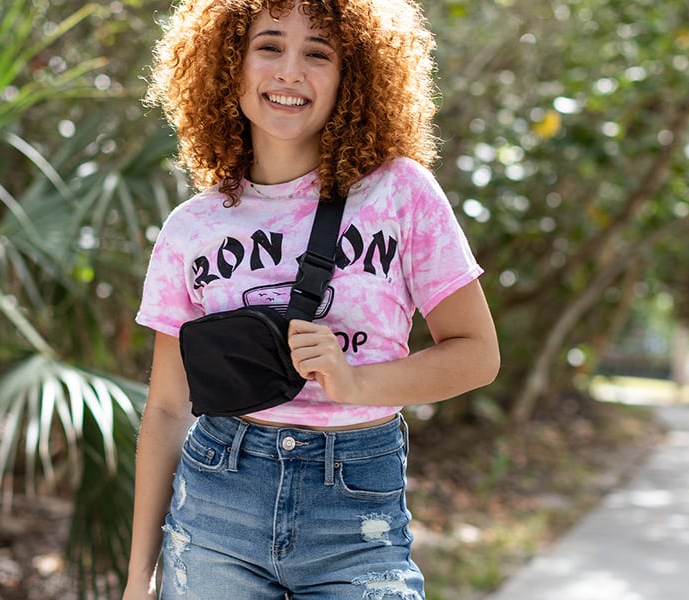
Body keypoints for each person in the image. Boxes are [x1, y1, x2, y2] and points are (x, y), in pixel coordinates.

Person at [123, 0, 498, 597]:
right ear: (230, 66)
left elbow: (477, 354)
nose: (290, 71)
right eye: (269, 46)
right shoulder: (191, 229)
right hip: (218, 500)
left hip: (357, 508)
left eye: (318, 53)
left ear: (353, 76)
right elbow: (169, 407)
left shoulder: (400, 194)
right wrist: (140, 575)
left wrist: (357, 384)